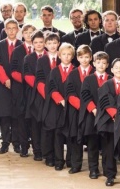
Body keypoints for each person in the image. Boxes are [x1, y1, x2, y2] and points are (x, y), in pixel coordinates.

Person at [95, 58, 120, 186]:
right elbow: (105, 101)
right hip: (109, 120)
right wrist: (115, 115)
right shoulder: (106, 84)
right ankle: (110, 175)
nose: (119, 70)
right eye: (116, 67)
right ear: (111, 70)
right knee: (108, 149)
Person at [42, 42, 75, 170]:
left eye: (69, 54)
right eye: (64, 54)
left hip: (72, 108)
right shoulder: (54, 71)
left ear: (72, 56)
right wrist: (61, 100)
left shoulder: (75, 71)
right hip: (57, 107)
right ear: (59, 55)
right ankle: (59, 160)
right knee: (58, 134)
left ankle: (70, 160)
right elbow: (51, 88)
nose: (66, 57)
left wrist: (70, 101)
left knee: (71, 134)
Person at [78, 51, 110, 179]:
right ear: (94, 63)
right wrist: (93, 109)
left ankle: (108, 170)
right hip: (92, 116)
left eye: (104, 63)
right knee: (93, 144)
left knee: (107, 145)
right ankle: (93, 169)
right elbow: (85, 95)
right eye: (98, 62)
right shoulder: (88, 79)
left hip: (107, 117)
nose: (101, 65)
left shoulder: (111, 79)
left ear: (107, 65)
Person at [0, 19, 22, 154]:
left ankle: (16, 143)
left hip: (18, 85)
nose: (11, 31)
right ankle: (5, 142)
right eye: (8, 28)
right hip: (3, 85)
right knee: (4, 115)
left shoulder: (22, 46)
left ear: (17, 30)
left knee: (16, 115)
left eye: (13, 28)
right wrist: (5, 80)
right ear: (4, 30)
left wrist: (15, 80)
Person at [65, 45, 94, 174]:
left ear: (91, 58)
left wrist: (89, 107)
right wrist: (82, 106)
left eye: (87, 57)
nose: (84, 60)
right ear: (77, 58)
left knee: (92, 139)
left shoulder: (95, 72)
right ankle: (76, 165)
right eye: (81, 57)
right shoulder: (72, 74)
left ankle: (93, 167)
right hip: (76, 111)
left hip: (91, 112)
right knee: (75, 138)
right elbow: (70, 93)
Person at [35, 32, 61, 166]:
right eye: (49, 43)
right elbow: (39, 80)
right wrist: (49, 95)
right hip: (46, 99)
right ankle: (48, 156)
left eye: (54, 43)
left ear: (58, 44)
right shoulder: (41, 60)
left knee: (59, 129)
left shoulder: (63, 58)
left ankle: (59, 157)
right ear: (45, 45)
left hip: (61, 98)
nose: (52, 46)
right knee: (48, 128)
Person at [10, 24, 36, 157]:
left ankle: (37, 147)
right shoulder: (17, 50)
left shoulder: (40, 50)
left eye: (32, 32)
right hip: (20, 89)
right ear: (22, 34)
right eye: (26, 32)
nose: (29, 35)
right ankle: (23, 146)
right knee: (21, 118)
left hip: (35, 90)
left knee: (34, 118)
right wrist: (26, 80)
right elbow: (13, 71)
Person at [23, 30, 46, 161]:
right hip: (33, 95)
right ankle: (37, 150)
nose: (38, 44)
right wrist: (40, 87)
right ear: (32, 43)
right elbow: (27, 76)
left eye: (41, 42)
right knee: (35, 124)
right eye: (36, 42)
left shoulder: (50, 56)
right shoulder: (28, 58)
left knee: (45, 124)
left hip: (48, 94)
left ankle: (45, 149)